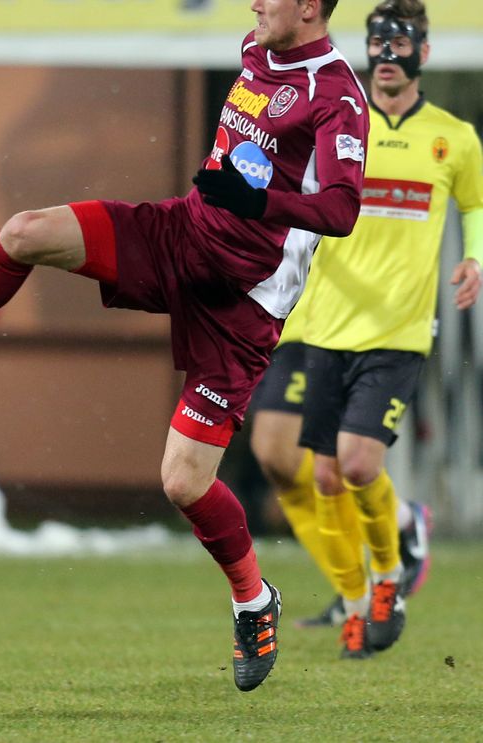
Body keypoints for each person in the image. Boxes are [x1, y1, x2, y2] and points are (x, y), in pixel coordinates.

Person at [0, 0, 367, 691]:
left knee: (183, 482)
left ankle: (253, 598)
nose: (253, 4)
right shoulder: (254, 48)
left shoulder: (336, 95)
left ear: (309, 6)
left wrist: (258, 202)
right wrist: (226, 199)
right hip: (181, 235)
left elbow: (340, 208)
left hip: (240, 304)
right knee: (26, 231)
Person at [248, 0, 481, 659]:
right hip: (324, 323)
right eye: (377, 44)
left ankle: (387, 576)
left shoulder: (453, 138)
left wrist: (474, 257)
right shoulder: (337, 117)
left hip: (399, 330)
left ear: (422, 55)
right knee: (318, 476)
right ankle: (353, 601)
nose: (386, 57)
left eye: (399, 45)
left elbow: (476, 202)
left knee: (354, 461)